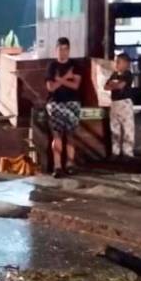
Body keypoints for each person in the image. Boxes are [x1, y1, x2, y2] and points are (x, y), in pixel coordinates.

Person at [44, 37, 84, 177]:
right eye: (60, 49)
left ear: (69, 50)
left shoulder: (75, 65)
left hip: (72, 102)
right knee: (57, 134)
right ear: (56, 50)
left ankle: (70, 164)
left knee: (71, 134)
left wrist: (59, 79)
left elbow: (75, 85)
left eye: (66, 49)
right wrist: (67, 77)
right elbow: (50, 88)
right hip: (55, 103)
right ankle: (57, 166)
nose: (63, 52)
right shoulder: (52, 66)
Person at [104, 53, 136, 159]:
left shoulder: (128, 74)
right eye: (116, 62)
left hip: (125, 102)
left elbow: (120, 86)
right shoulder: (114, 74)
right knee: (114, 127)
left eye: (118, 62)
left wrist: (113, 85)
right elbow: (106, 87)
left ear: (126, 64)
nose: (116, 64)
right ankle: (115, 151)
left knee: (128, 128)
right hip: (114, 102)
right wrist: (114, 85)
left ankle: (128, 152)